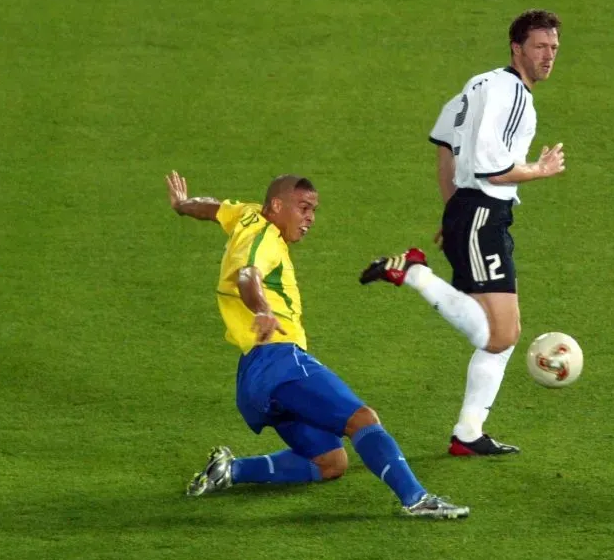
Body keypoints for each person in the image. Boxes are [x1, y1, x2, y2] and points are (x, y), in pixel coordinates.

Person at [165, 170, 468, 519]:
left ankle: (229, 471)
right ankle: (416, 499)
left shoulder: (248, 214)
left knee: (330, 462)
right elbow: (248, 275)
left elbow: (215, 208)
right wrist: (262, 310)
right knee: (362, 419)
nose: (309, 219)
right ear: (277, 206)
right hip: (278, 359)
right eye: (303, 208)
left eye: (313, 211)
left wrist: (183, 205)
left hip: (252, 377)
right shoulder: (263, 240)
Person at [360, 9, 565, 457]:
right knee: (499, 336)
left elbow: (445, 146)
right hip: (484, 214)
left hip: (471, 214)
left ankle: (468, 433)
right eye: (539, 47)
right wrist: (541, 170)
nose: (548, 56)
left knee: (503, 336)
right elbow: (495, 169)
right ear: (517, 48)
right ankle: (415, 273)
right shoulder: (513, 94)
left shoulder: (478, 85)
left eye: (553, 48)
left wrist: (453, 208)